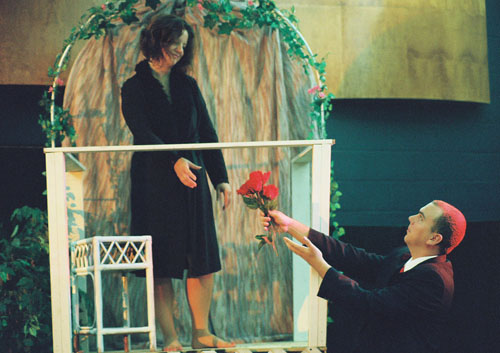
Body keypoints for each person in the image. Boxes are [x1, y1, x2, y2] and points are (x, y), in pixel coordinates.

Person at [121, 14, 234, 351]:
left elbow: (207, 133)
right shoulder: (133, 86)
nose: (180, 51)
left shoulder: (188, 85)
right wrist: (174, 159)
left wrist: (221, 180)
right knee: (162, 260)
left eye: (185, 46)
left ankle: (201, 334)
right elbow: (141, 131)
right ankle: (170, 338)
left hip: (193, 178)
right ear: (156, 41)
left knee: (202, 254)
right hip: (153, 181)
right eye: (175, 44)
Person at [262, 200, 466, 353]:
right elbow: (353, 258)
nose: (411, 218)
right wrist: (290, 226)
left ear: (434, 238)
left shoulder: (434, 281)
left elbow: (369, 303)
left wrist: (319, 265)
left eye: (421, 218)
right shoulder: (404, 257)